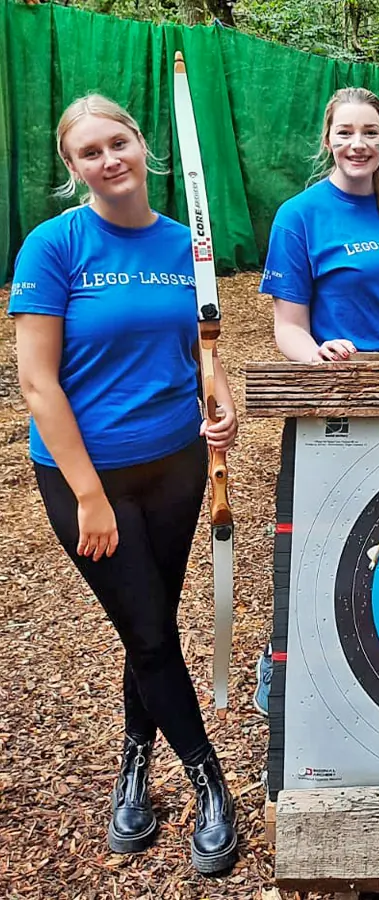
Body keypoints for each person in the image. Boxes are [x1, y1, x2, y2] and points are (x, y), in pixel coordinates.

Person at [8, 95, 239, 874]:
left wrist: (218, 386)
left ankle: (134, 759)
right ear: (73, 170)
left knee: (152, 628)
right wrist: (88, 494)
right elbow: (37, 383)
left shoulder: (186, 246)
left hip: (174, 462)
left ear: (143, 145)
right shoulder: (54, 246)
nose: (110, 160)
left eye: (120, 142)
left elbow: (198, 344)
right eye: (89, 153)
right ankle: (209, 780)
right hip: (85, 477)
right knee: (146, 630)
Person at [254, 86, 379, 715]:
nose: (358, 144)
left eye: (369, 131)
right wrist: (317, 356)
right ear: (328, 138)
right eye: (345, 132)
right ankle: (281, 656)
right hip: (350, 392)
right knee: (334, 533)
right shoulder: (300, 215)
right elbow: (287, 326)